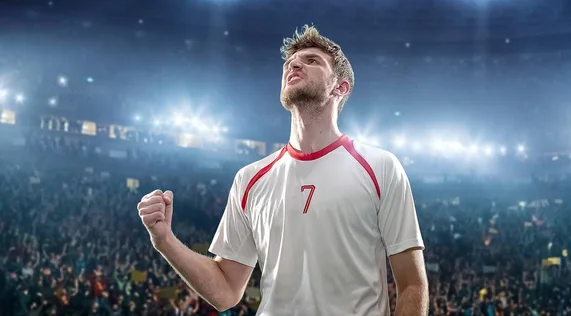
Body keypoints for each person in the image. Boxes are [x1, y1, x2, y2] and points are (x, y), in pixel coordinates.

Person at [137, 25, 428, 316]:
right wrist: (165, 241)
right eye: (290, 63)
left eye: (312, 60)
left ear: (341, 87)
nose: (295, 64)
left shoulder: (380, 167)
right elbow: (225, 291)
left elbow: (412, 285)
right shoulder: (249, 179)